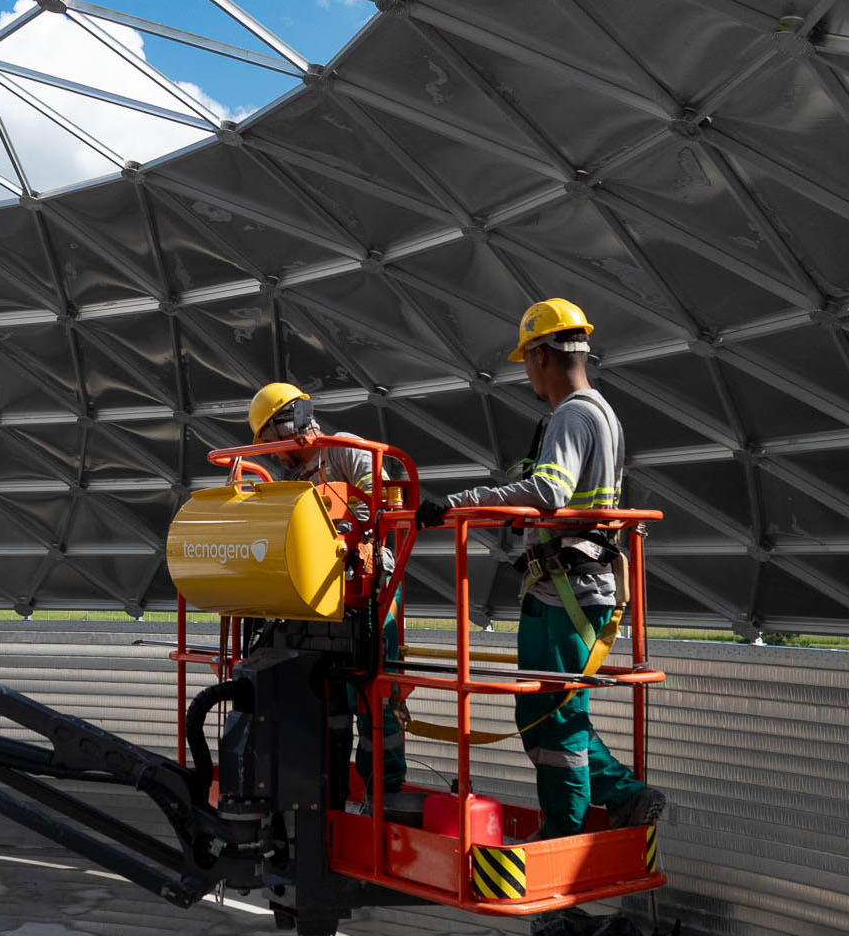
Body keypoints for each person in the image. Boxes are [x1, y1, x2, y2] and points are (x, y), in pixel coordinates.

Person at [415, 299, 664, 839]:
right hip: (571, 587)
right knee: (545, 715)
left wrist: (460, 502)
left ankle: (570, 829)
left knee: (555, 720)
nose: (527, 371)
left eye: (526, 360)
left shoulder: (573, 414)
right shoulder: (599, 412)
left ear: (542, 356)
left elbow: (550, 489)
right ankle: (621, 797)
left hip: (566, 591)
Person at [247, 382, 406, 808]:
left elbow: (379, 504)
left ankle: (384, 796)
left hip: (370, 592)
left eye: (268, 439)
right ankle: (330, 795)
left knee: (374, 700)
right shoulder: (292, 480)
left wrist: (336, 535)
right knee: (329, 700)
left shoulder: (345, 450)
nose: (271, 454)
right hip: (320, 600)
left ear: (288, 423)